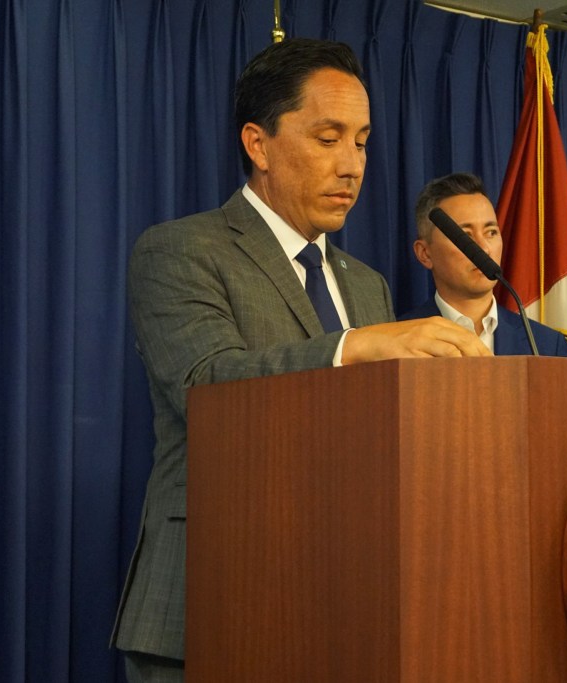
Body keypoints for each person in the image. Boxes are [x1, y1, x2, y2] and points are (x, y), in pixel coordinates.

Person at [110, 39, 490, 682]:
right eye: (328, 138)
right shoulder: (181, 250)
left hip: (344, 606)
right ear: (258, 145)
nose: (352, 166)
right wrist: (355, 347)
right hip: (212, 598)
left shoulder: (366, 284)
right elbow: (207, 386)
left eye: (362, 142)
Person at [399, 172, 567, 357]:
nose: (484, 249)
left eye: (491, 232)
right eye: (464, 236)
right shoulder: (400, 340)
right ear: (425, 254)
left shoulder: (546, 344)